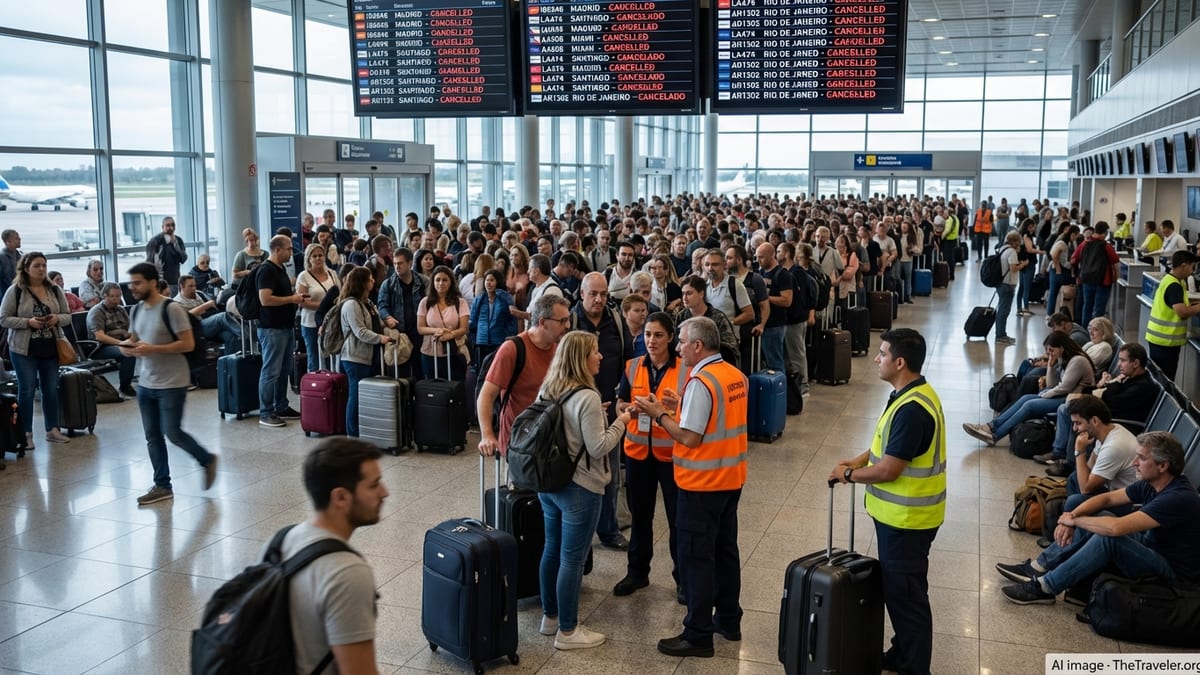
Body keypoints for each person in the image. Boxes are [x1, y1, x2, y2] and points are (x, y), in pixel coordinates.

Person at [829, 327, 945, 675]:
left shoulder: (913, 409)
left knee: (907, 598)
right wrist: (859, 459)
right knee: (901, 591)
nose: (876, 359)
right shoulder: (908, 394)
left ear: (900, 362)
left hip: (907, 520)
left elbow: (891, 469)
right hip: (901, 517)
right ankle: (901, 651)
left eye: (882, 354)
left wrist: (848, 476)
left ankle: (914, 666)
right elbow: (888, 448)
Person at [634, 316, 748, 659]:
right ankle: (728, 619)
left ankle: (697, 634)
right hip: (731, 478)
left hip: (702, 483)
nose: (679, 347)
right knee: (726, 551)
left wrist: (658, 414)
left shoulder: (702, 380)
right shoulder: (733, 375)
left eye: (682, 341)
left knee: (696, 557)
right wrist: (678, 405)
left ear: (698, 345)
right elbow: (718, 419)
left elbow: (690, 436)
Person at [996, 431, 1200, 606]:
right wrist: (1073, 515)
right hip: (1151, 546)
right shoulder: (1153, 482)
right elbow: (1107, 498)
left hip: (1172, 573)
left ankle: (1044, 588)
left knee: (1108, 536)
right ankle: (1039, 567)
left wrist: (1074, 521)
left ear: (1163, 465)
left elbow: (1116, 529)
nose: (1134, 463)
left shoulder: (1178, 497)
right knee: (1095, 515)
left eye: (1141, 458)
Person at [535, 331, 632, 650]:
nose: (601, 356)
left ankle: (550, 618)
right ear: (580, 357)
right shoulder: (587, 397)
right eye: (594, 351)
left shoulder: (549, 388)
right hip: (580, 488)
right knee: (572, 559)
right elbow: (598, 445)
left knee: (551, 549)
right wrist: (622, 421)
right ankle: (568, 631)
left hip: (549, 484)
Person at [278, 438, 387, 673]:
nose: (384, 492)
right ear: (340, 497)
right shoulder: (347, 574)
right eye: (374, 485)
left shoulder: (281, 540)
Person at [121, 262, 218, 505]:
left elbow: (187, 344)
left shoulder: (171, 309)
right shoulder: (136, 310)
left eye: (137, 282)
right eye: (131, 283)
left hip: (173, 381)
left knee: (172, 432)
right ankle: (162, 485)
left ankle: (206, 459)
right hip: (146, 383)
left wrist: (152, 348)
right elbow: (133, 338)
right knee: (152, 436)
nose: (132, 287)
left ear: (153, 282)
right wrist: (126, 348)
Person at [613, 312, 684, 601]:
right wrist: (630, 409)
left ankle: (683, 578)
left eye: (658, 335)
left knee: (677, 519)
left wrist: (669, 408)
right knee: (641, 516)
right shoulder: (632, 367)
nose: (651, 341)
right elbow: (619, 404)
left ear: (670, 338)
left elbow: (692, 411)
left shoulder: (685, 370)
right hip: (638, 454)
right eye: (647, 335)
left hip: (671, 455)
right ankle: (637, 573)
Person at [571, 272, 632, 550]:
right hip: (574, 411)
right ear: (581, 293)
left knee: (610, 474)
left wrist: (623, 395)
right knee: (575, 473)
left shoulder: (616, 321)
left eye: (603, 294)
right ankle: (579, 528)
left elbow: (629, 361)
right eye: (593, 294)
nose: (599, 299)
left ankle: (608, 529)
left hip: (609, 408)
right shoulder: (570, 321)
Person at [1040, 342, 1161, 472]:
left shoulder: (1142, 386)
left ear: (1136, 363)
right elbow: (1108, 394)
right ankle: (1061, 454)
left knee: (1078, 415)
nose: (1119, 365)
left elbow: (1112, 400)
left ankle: (1071, 464)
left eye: (1123, 360)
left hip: (1124, 425)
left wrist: (1110, 386)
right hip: (1113, 415)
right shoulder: (1130, 378)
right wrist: (1110, 386)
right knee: (1069, 409)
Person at [477, 294, 572, 458]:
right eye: (562, 321)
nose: (568, 325)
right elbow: (486, 394)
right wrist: (487, 435)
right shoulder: (512, 349)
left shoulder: (560, 348)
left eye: (568, 319)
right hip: (519, 444)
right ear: (542, 322)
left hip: (550, 441)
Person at [964, 331, 1095, 446]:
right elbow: (1051, 384)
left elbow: (1064, 387)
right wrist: (1050, 365)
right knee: (1025, 398)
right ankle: (990, 426)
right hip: (1066, 395)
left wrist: (1045, 394)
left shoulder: (1077, 360)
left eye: (1051, 350)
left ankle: (995, 435)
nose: (1049, 354)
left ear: (1061, 347)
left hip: (1076, 399)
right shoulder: (1063, 359)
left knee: (1030, 405)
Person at [0, 252, 72, 446]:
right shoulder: (15, 291)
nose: (41, 269)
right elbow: (4, 318)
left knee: (50, 389)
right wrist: (28, 322)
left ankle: (53, 429)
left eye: (44, 266)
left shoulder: (54, 289)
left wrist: (57, 319)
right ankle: (25, 433)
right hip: (24, 350)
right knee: (27, 391)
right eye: (37, 266)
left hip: (50, 347)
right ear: (26, 269)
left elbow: (67, 315)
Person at [338, 267, 392, 438]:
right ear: (362, 282)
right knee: (355, 395)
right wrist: (380, 338)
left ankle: (363, 430)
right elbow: (360, 331)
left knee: (361, 394)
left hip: (366, 356)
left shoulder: (367, 303)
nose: (373, 281)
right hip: (354, 357)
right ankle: (352, 433)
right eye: (369, 279)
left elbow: (374, 324)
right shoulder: (351, 305)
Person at [256, 235, 304, 428]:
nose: (291, 252)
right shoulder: (266, 270)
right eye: (288, 249)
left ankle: (281, 405)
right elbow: (265, 299)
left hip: (284, 326)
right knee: (271, 371)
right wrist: (292, 299)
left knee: (284, 370)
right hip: (271, 328)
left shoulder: (280, 269)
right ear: (277, 249)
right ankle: (266, 411)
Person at [1145, 250, 1200, 380]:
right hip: (1165, 342)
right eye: (1192, 267)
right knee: (1165, 379)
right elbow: (1182, 312)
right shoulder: (1174, 285)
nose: (1192, 271)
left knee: (1160, 378)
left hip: (1160, 339)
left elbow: (1179, 303)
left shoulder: (1172, 280)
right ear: (1184, 265)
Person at [417, 265, 469, 382]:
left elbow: (464, 328)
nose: (441, 283)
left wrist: (451, 334)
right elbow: (420, 328)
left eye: (445, 280)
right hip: (430, 351)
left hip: (453, 351)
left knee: (454, 387)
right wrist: (437, 331)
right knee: (434, 389)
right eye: (438, 280)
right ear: (433, 282)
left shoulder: (460, 302)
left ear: (451, 282)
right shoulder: (425, 302)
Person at [86, 282, 137, 397]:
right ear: (105, 296)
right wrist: (122, 343)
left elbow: (128, 330)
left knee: (145, 345)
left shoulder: (121, 310)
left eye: (118, 296)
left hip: (118, 342)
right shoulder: (97, 312)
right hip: (99, 347)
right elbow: (100, 336)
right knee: (128, 352)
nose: (116, 299)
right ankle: (125, 387)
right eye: (113, 296)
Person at [297, 243, 339, 373]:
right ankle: (315, 388)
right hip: (311, 323)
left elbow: (339, 292)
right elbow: (302, 302)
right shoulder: (304, 276)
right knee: (314, 358)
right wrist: (324, 305)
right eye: (314, 256)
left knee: (331, 357)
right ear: (309, 259)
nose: (318, 258)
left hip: (331, 322)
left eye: (320, 255)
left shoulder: (332, 274)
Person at [754, 242, 793, 373]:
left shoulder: (782, 274)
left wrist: (765, 299)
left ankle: (779, 389)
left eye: (761, 257)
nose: (758, 260)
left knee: (775, 362)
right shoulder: (759, 273)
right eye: (757, 257)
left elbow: (787, 301)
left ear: (772, 255)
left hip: (775, 324)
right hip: (762, 323)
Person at [1071, 221, 1119, 326]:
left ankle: (1085, 331)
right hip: (1103, 282)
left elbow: (1073, 260)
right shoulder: (1107, 246)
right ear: (1105, 232)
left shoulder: (1084, 244)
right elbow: (1115, 263)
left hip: (1086, 280)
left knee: (1087, 307)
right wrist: (1116, 277)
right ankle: (1096, 333)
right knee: (1099, 309)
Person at [469, 269, 518, 367]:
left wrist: (509, 337)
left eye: (492, 280)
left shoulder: (505, 298)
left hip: (499, 341)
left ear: (498, 282)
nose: (489, 283)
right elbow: (473, 321)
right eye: (487, 280)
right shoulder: (479, 299)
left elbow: (512, 320)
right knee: (481, 371)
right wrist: (474, 339)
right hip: (481, 342)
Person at [995, 232, 1028, 345]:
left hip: (1000, 283)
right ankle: (1000, 335)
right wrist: (1023, 264)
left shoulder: (1002, 249)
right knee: (1004, 311)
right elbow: (1013, 268)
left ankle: (1000, 333)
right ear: (1014, 241)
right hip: (1008, 285)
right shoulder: (1012, 252)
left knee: (1002, 310)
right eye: (1018, 241)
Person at [145, 216, 188, 292]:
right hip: (160, 282)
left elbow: (183, 259)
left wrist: (176, 246)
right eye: (168, 225)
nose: (170, 227)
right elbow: (149, 263)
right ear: (162, 227)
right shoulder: (155, 241)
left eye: (172, 225)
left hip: (175, 280)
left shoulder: (178, 240)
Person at [0, 229, 21, 297]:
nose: (19, 239)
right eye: (16, 238)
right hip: (5, 294)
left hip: (18, 292)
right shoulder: (2, 257)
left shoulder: (19, 255)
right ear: (7, 241)